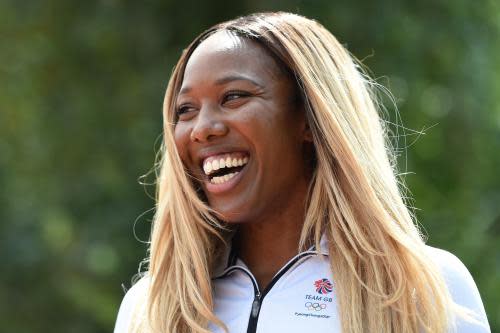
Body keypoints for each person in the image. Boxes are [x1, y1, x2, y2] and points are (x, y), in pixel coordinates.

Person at [114, 12, 490, 333]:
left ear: (310, 119)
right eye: (185, 110)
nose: (202, 128)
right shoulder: (148, 308)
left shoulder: (424, 287)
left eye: (234, 97)